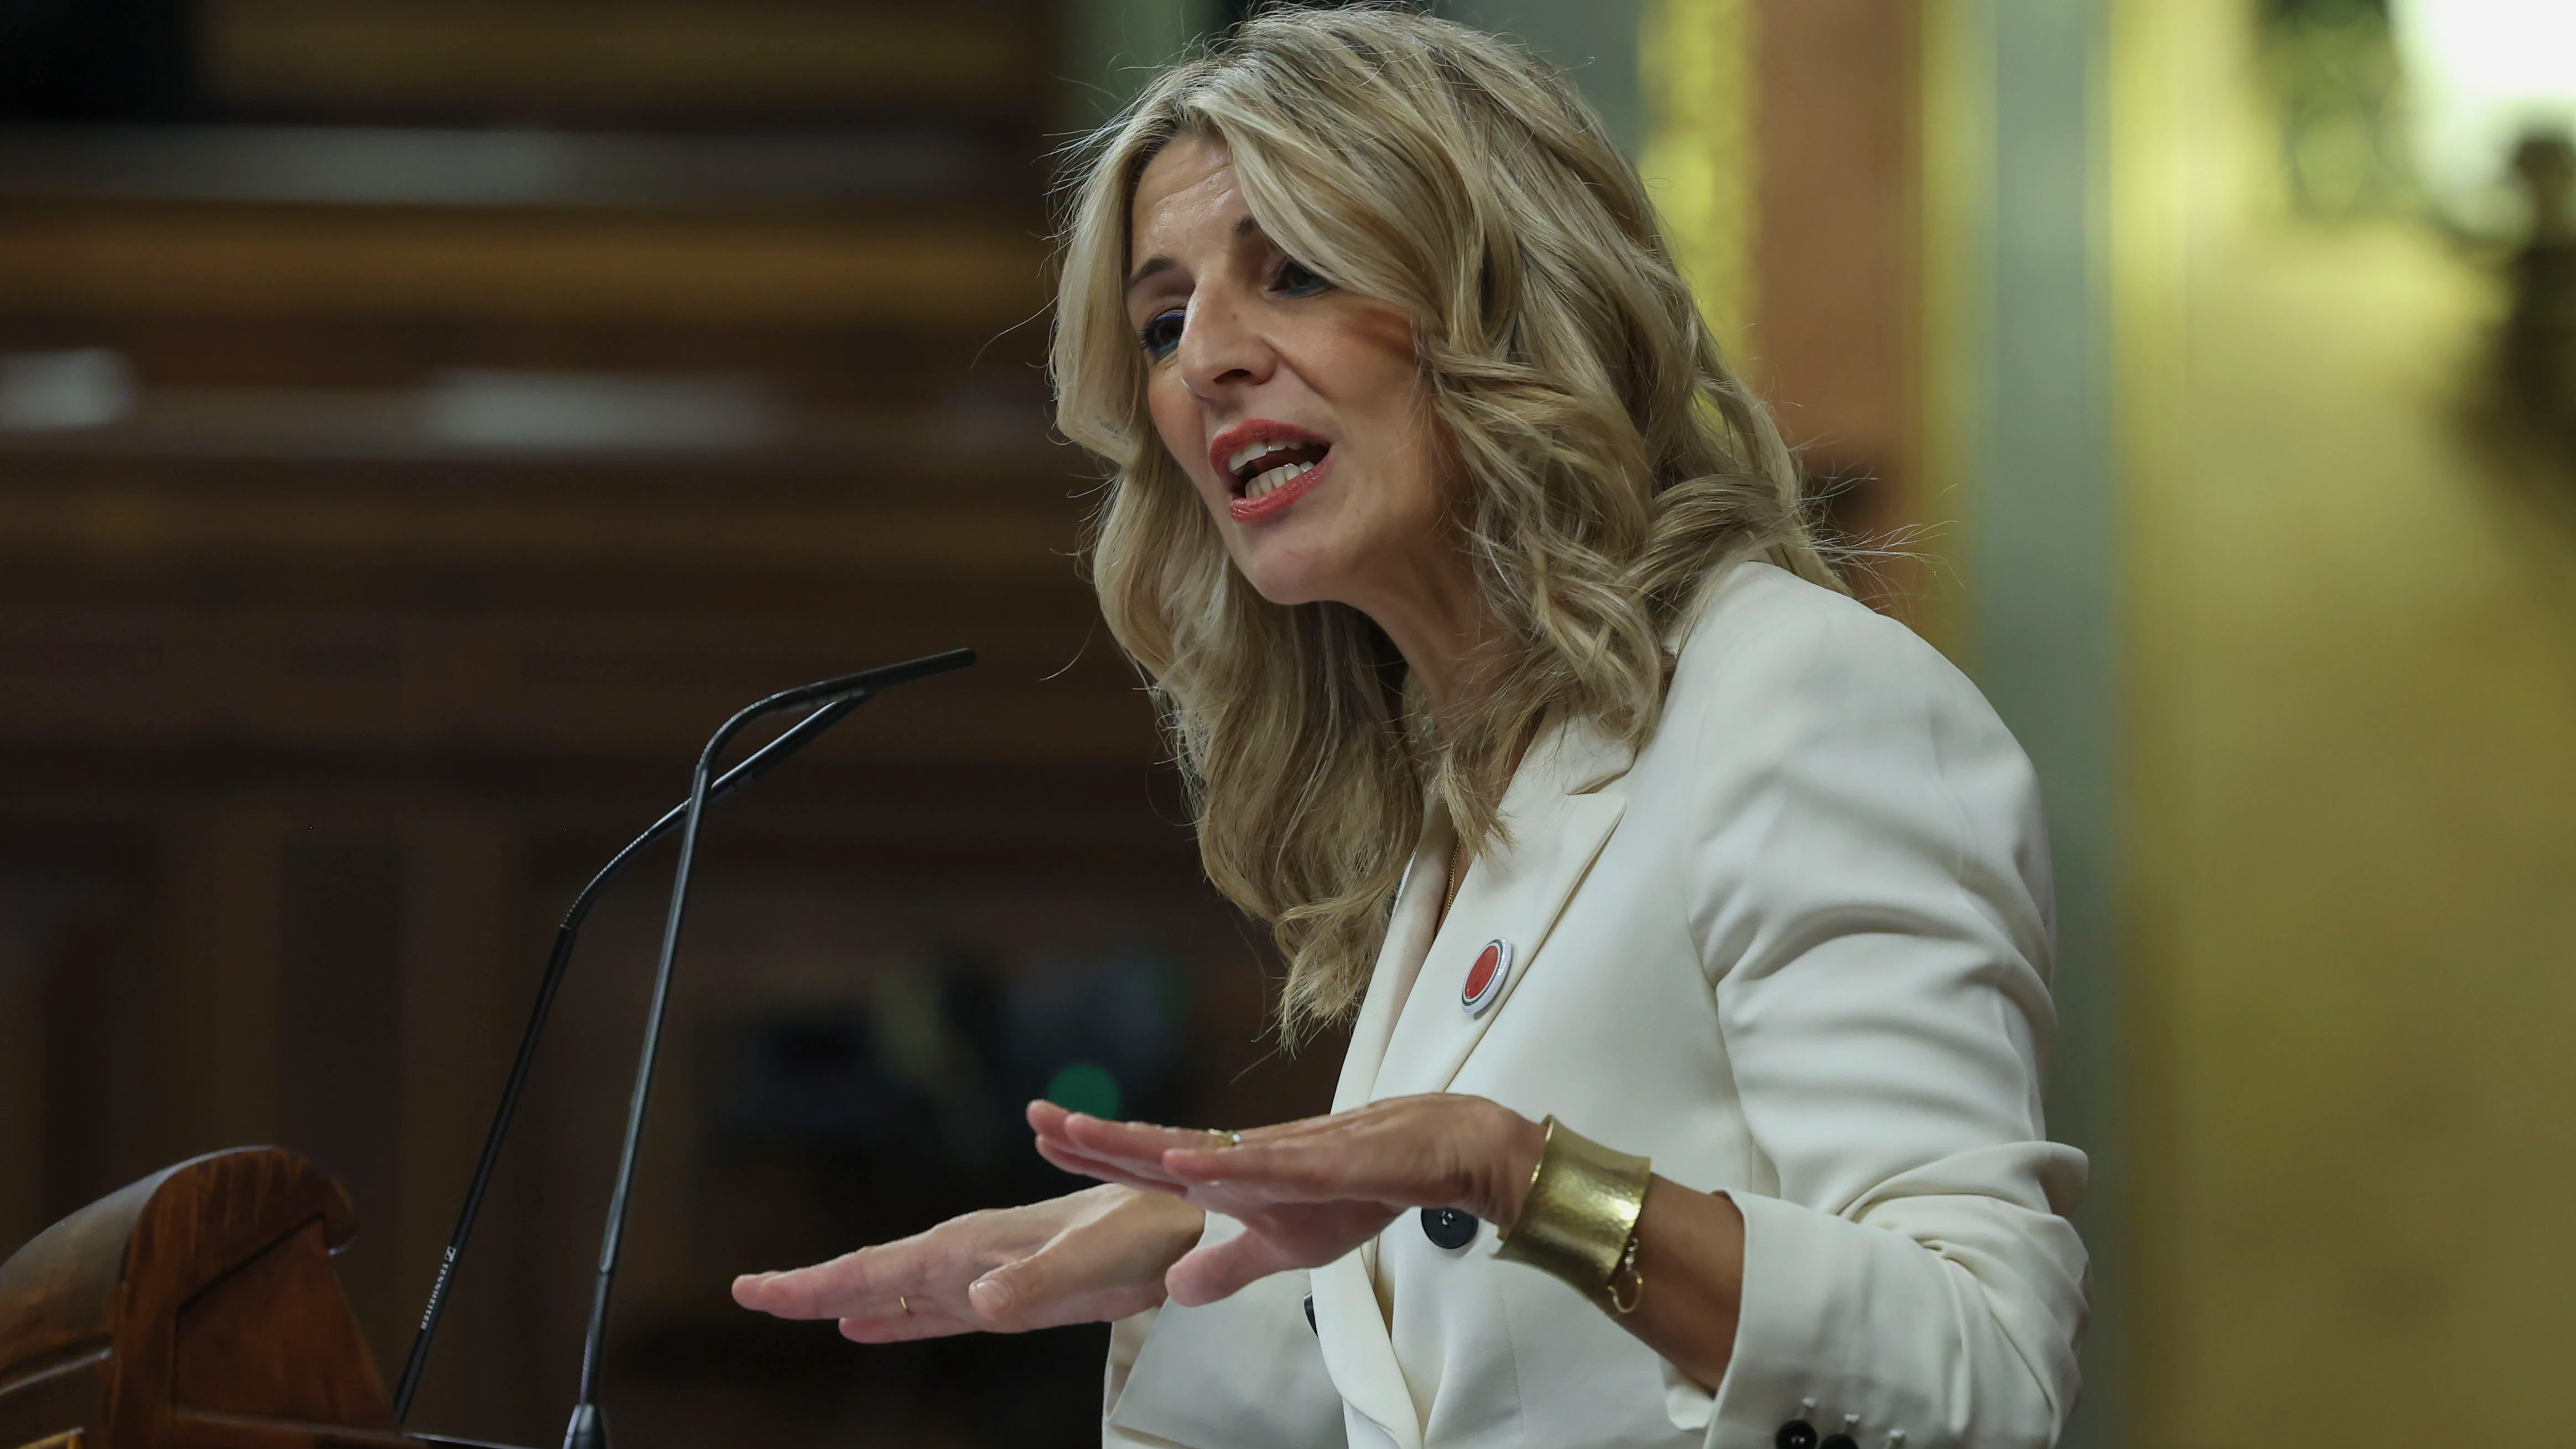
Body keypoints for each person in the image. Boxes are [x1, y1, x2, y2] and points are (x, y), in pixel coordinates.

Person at [734, 9, 2087, 1448]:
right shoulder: (1464, 798)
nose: (1209, 360)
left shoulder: (1800, 698)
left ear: (1501, 294)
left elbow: (1981, 1374)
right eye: (1165, 319)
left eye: (1296, 271)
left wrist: (1517, 1174)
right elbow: (1488, 1392)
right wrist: (1177, 1258)